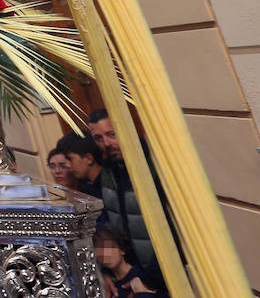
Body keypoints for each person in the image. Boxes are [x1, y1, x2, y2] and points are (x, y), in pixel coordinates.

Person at [90, 109, 177, 291]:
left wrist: (150, 279)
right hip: (126, 276)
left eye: (111, 134)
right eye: (99, 138)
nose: (106, 143)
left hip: (163, 276)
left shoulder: (153, 168)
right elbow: (104, 226)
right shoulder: (107, 172)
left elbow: (173, 227)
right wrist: (106, 271)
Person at [94, 225, 166, 297]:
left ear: (122, 250)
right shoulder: (104, 284)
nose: (106, 254)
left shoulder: (144, 278)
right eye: (101, 251)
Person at [57, 132, 104, 199]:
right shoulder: (84, 185)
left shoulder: (111, 184)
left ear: (89, 158)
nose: (67, 165)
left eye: (70, 159)